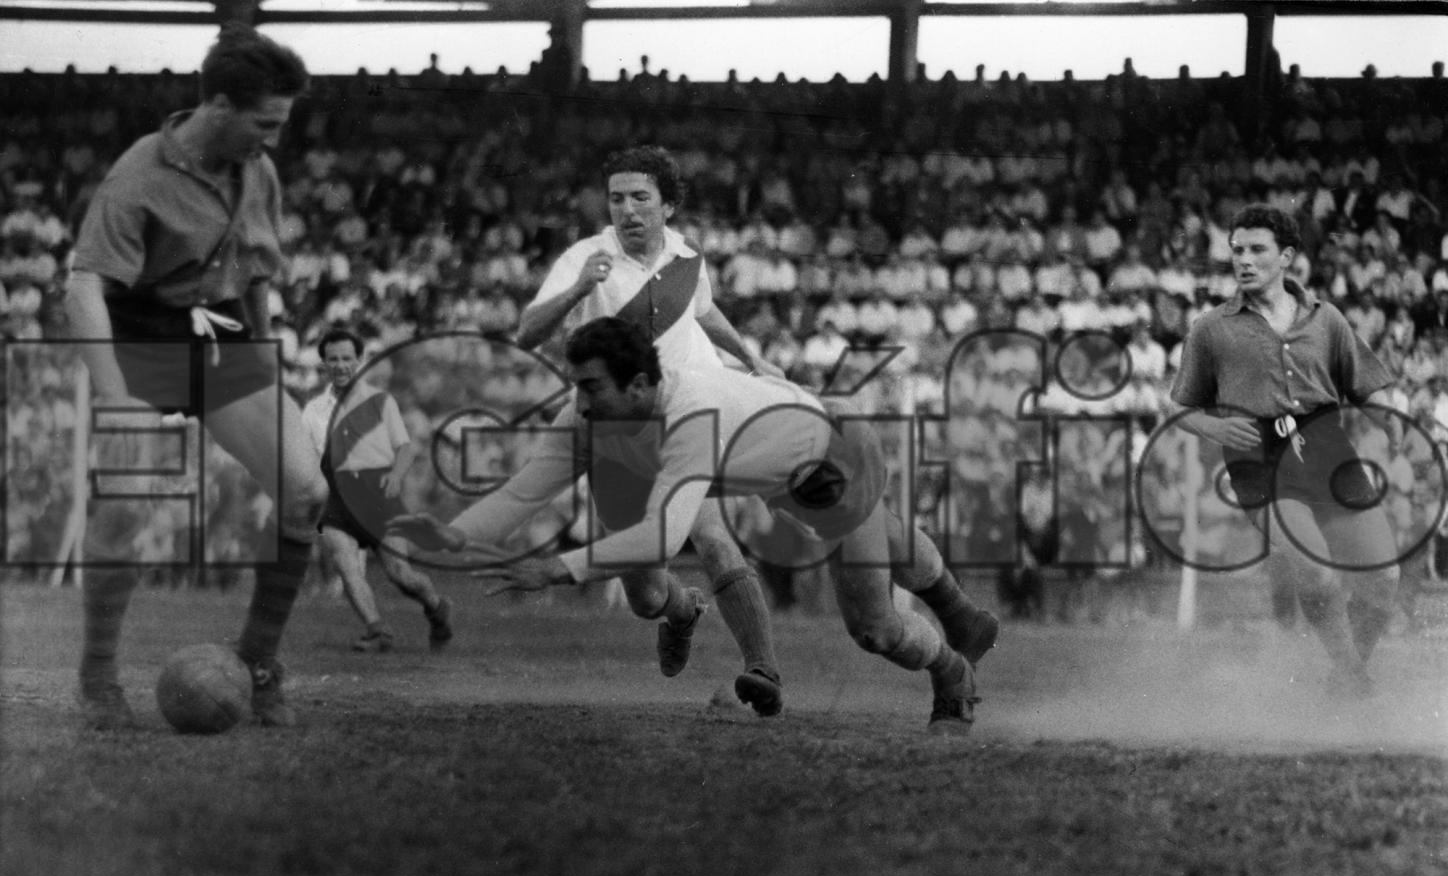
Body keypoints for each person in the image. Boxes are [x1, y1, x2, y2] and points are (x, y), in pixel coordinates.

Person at [390, 317, 999, 734]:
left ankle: (951, 670)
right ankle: (959, 611)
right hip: (779, 464)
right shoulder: (592, 417)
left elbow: (659, 535)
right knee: (883, 540)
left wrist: (556, 567)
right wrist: (448, 536)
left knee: (873, 628)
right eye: (576, 386)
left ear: (640, 384)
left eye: (591, 388)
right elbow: (522, 493)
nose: (578, 403)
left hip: (836, 460)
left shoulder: (690, 415)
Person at [64, 25, 326, 728]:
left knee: (305, 493)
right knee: (124, 512)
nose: (271, 139)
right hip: (141, 344)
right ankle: (96, 679)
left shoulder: (257, 171)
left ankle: (259, 663)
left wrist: (267, 360)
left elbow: (258, 273)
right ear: (218, 105)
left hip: (222, 336)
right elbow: (82, 290)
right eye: (263, 123)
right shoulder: (138, 176)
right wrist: (118, 404)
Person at [515, 145, 792, 716]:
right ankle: (681, 612)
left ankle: (763, 672)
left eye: (641, 197)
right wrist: (575, 291)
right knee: (645, 595)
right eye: (617, 198)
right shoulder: (584, 257)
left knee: (713, 535)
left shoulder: (687, 256)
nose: (627, 210)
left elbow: (705, 313)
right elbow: (525, 332)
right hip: (614, 428)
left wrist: (752, 358)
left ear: (668, 205)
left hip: (683, 412)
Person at [1170, 204, 1404, 697]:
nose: (1244, 260)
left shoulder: (1327, 319)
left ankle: (1345, 674)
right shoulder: (1211, 329)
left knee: (1383, 578)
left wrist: (1391, 421)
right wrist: (1215, 429)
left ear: (1287, 257)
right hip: (1260, 460)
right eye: (1237, 250)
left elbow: (1366, 384)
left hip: (1327, 450)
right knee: (1315, 570)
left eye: (1258, 250)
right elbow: (1181, 410)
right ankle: (1352, 679)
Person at [300, 329, 452, 653]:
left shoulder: (380, 402)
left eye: (346, 359)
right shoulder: (313, 410)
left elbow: (405, 448)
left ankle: (437, 607)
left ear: (359, 361)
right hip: (338, 496)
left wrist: (396, 476)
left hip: (378, 493)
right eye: (333, 359)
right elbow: (307, 458)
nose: (340, 365)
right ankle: (377, 629)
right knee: (346, 564)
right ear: (324, 364)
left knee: (401, 574)